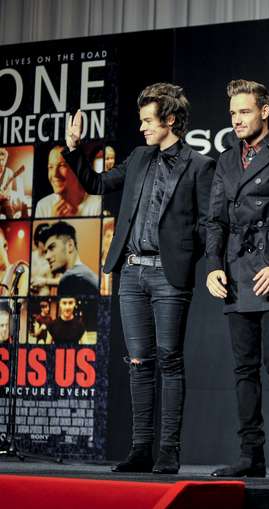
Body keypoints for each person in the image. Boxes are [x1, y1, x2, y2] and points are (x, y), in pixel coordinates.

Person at [62, 83, 215, 474]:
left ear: (170, 120)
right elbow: (98, 184)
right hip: (131, 272)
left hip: (168, 275)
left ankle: (169, 451)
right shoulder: (139, 157)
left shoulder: (199, 165)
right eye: (142, 120)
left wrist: (183, 256)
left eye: (148, 120)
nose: (142, 127)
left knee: (169, 359)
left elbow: (207, 224)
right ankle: (141, 449)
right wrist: (74, 149)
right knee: (138, 362)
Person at [206, 80, 269, 479]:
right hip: (236, 272)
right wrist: (214, 265)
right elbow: (214, 219)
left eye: (244, 111)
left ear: (264, 111)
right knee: (244, 369)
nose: (237, 119)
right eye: (233, 113)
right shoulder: (226, 160)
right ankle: (251, 454)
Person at [35, 146, 101, 218]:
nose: (54, 174)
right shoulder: (42, 206)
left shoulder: (98, 204)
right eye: (50, 167)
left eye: (62, 165)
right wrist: (53, 221)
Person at [39, 221, 99, 296]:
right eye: (46, 252)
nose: (47, 257)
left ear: (70, 245)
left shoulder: (70, 279)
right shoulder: (87, 275)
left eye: (52, 248)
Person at [0, 147, 30, 218]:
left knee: (9, 210)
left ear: (5, 160)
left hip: (4, 201)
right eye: (0, 160)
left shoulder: (9, 172)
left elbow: (8, 194)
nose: (1, 162)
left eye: (3, 160)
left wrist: (3, 195)